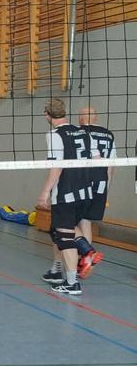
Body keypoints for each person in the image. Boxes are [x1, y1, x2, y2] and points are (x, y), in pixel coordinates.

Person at [37, 98, 92, 295]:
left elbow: (56, 167)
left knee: (65, 235)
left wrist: (45, 192)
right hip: (85, 191)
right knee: (60, 231)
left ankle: (72, 283)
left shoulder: (54, 135)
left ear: (47, 114)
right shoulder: (82, 132)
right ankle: (86, 250)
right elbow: (97, 159)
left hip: (66, 193)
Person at [75, 105, 116, 277]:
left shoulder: (76, 133)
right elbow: (111, 164)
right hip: (100, 184)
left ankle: (86, 253)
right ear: (96, 118)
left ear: (81, 119)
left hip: (80, 182)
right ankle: (86, 262)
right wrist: (107, 187)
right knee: (86, 222)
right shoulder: (109, 135)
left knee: (68, 222)